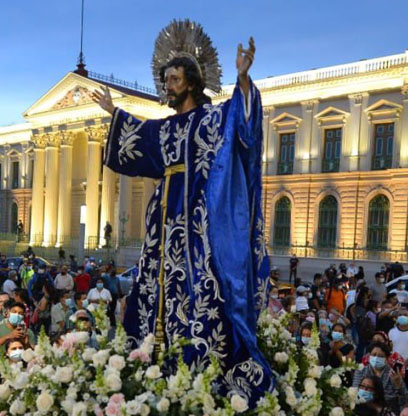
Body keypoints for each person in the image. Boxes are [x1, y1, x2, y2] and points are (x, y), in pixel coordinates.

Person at [92, 33, 274, 399]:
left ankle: (205, 363)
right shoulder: (163, 127)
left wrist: (242, 79)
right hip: (163, 219)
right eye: (166, 80)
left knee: (204, 283)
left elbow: (243, 122)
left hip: (200, 219)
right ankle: (152, 359)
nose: (168, 86)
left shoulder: (212, 118)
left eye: (174, 79)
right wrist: (113, 112)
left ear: (191, 82)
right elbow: (140, 135)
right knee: (155, 282)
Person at [352, 342, 408, 412]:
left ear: (387, 358)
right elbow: (354, 392)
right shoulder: (361, 371)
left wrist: (399, 386)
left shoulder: (393, 375)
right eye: (374, 354)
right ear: (369, 356)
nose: (376, 358)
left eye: (380, 356)